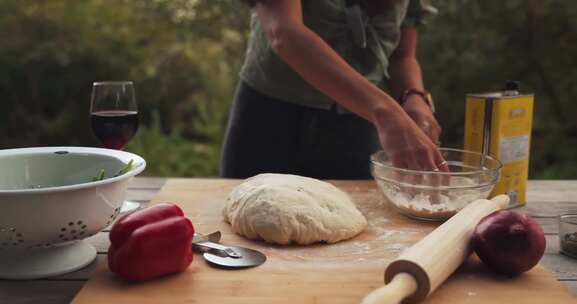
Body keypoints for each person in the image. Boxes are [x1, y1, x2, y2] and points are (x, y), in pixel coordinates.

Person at [220, 0, 448, 179]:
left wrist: (414, 97)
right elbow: (283, 31)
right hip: (269, 118)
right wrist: (388, 112)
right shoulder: (384, 112)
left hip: (359, 124)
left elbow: (402, 56)